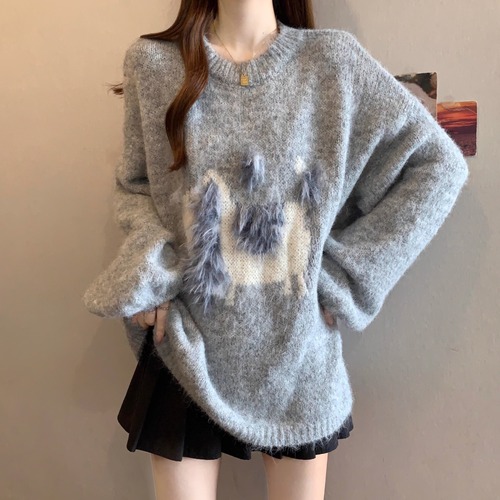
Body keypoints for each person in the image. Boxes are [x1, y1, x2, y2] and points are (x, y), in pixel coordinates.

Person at [82, 1, 470, 499]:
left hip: (298, 358)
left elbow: (437, 165)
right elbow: (137, 187)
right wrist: (149, 270)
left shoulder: (332, 61)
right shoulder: (153, 64)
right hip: (184, 345)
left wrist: (345, 276)